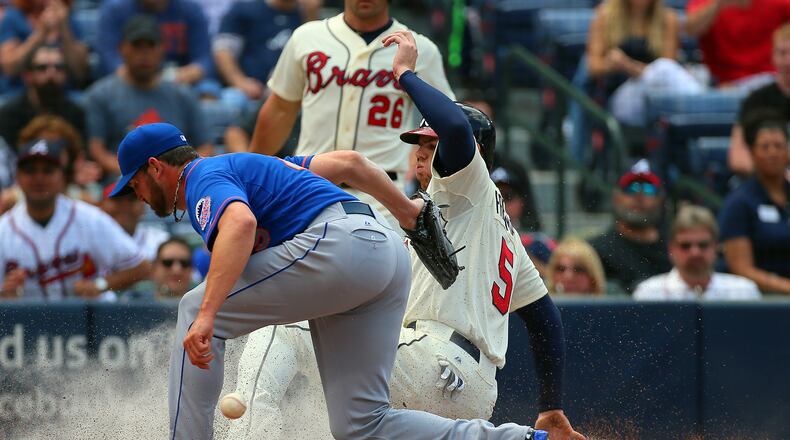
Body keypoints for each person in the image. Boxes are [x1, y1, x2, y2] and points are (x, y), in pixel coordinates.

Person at [227, 31, 585, 440]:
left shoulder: (468, 184)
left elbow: (453, 126)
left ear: (476, 156)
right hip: (465, 383)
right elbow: (544, 319)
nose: (419, 151)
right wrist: (551, 405)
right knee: (352, 426)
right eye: (418, 142)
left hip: (435, 360)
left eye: (430, 145)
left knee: (284, 326)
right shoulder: (494, 228)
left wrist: (405, 75)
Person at [110, 121, 554, 439]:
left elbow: (240, 226)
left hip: (342, 248)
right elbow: (351, 163)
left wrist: (209, 316)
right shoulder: (258, 167)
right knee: (361, 425)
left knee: (193, 309)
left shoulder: (202, 176)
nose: (139, 197)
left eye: (135, 186)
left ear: (155, 167)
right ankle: (518, 439)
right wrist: (403, 211)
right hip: (381, 258)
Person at [249, 0, 454, 230]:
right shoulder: (306, 38)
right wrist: (247, 176)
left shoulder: (419, 49)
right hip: (307, 188)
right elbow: (280, 110)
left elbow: (447, 123)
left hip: (384, 199)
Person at [0, 138, 149, 300]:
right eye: (30, 170)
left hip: (90, 321)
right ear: (18, 178)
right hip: (30, 324)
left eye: (47, 170)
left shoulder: (89, 218)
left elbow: (141, 268)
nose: (39, 178)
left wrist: (100, 285)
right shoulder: (4, 230)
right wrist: (4, 294)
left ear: (62, 177)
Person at [84, 14, 212, 176]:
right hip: (122, 184)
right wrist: (138, 176)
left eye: (151, 45)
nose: (144, 53)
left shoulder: (183, 95)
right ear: (122, 48)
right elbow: (97, 150)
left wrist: (176, 177)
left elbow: (205, 147)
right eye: (137, 45)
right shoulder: (100, 94)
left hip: (176, 184)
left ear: (162, 49)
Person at [586, 0, 702, 126]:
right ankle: (703, 107)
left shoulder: (668, 18)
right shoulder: (605, 15)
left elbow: (669, 67)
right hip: (620, 99)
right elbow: (593, 67)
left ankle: (700, 111)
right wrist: (611, 64)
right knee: (663, 69)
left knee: (664, 69)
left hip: (658, 93)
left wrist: (628, 65)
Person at [719, 110, 790, 295]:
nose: (773, 153)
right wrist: (786, 288)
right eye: (765, 147)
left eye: (778, 145)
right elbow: (741, 268)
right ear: (752, 152)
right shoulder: (739, 202)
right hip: (759, 301)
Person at [634, 205, 760, 300]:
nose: (695, 253)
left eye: (703, 245)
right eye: (685, 246)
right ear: (671, 248)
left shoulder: (743, 291)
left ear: (716, 246)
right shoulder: (649, 293)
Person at [212, 0, 320, 101]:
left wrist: (311, 16)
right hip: (247, 93)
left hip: (289, 95)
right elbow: (223, 51)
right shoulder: (246, 9)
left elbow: (314, 57)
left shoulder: (306, 17)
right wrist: (240, 82)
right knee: (232, 100)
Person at [590, 159, 671, 293]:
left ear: (661, 199)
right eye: (631, 188)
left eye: (648, 189)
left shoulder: (679, 250)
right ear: (616, 197)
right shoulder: (596, 252)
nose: (639, 195)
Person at [96, 0, 211, 87]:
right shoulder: (115, 9)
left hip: (180, 80)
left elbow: (203, 60)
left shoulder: (191, 9)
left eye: (151, 45)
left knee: (208, 90)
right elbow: (109, 58)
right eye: (138, 45)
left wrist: (173, 78)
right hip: (131, 81)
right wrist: (144, 80)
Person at [728, 23, 790, 175]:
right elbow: (737, 156)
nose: (789, 61)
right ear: (773, 56)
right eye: (782, 53)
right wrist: (775, 176)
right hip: (767, 183)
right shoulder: (756, 101)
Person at [685, 0, 790, 87]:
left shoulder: (776, 3)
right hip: (726, 82)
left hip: (772, 77)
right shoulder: (707, 2)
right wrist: (718, 4)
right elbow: (690, 30)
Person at [0, 44, 85, 150]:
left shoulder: (76, 113)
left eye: (58, 67)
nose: (51, 73)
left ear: (66, 75)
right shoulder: (9, 114)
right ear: (27, 76)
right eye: (42, 68)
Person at [0, 0, 89, 89]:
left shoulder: (68, 19)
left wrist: (64, 28)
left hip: (64, 92)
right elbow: (10, 68)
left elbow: (80, 72)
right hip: (20, 90)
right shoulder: (13, 18)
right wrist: (40, 33)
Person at [100, 182, 170, 262]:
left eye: (132, 199)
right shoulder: (90, 239)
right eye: (117, 199)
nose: (125, 206)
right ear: (101, 205)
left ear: (143, 207)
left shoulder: (159, 240)